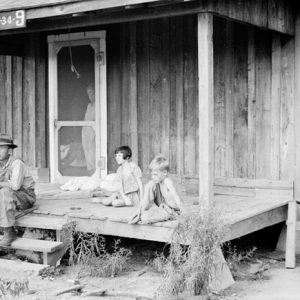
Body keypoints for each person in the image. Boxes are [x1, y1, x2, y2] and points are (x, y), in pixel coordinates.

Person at [0, 133, 36, 246]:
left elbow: (15, 186)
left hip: (25, 197)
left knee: (4, 192)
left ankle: (9, 231)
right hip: (10, 197)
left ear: (9, 149)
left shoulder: (16, 163)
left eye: (2, 148)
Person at [129, 154, 186, 224]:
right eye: (152, 174)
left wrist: (184, 213)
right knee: (149, 185)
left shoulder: (167, 182)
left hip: (174, 211)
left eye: (155, 174)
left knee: (145, 218)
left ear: (165, 173)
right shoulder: (159, 182)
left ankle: (172, 216)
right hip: (165, 207)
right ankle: (140, 212)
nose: (153, 177)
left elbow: (176, 197)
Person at [82, 83, 96, 175]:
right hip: (86, 130)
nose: (90, 96)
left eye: (92, 93)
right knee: (87, 149)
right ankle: (90, 170)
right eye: (88, 93)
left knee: (93, 151)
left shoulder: (98, 105)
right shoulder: (89, 105)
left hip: (93, 130)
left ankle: (95, 170)